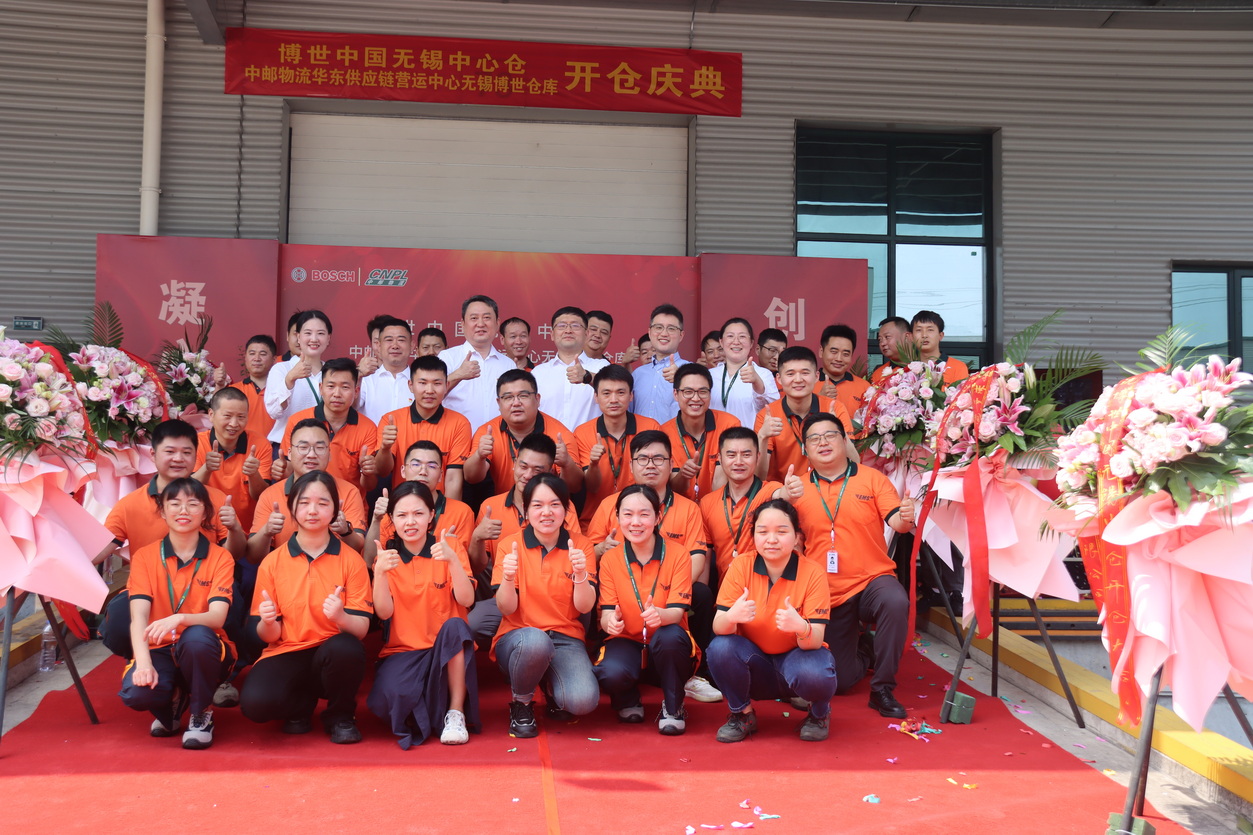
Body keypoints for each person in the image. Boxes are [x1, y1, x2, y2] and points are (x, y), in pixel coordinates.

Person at [97, 419, 245, 713]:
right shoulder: (130, 504)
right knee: (118, 618)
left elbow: (236, 553)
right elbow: (103, 548)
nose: (178, 458)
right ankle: (157, 671)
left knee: (230, 608)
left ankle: (213, 676)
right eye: (170, 451)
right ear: (153, 454)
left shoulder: (213, 499)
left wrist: (236, 529)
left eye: (186, 452)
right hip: (152, 592)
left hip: (204, 591)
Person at [791, 413, 916, 718]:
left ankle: (882, 689)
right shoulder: (798, 489)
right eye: (814, 438)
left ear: (844, 440)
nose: (823, 443)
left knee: (895, 600)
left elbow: (897, 523)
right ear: (805, 448)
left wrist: (906, 516)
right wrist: (783, 496)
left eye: (830, 435)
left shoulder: (872, 479)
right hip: (828, 590)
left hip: (872, 579)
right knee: (843, 680)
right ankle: (866, 649)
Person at [586, 431, 720, 704]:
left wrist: (668, 588)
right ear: (631, 464)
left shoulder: (687, 508)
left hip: (671, 591)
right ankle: (624, 665)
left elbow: (697, 556)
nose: (650, 465)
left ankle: (694, 673)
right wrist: (601, 549)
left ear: (671, 464)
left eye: (658, 458)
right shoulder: (609, 505)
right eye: (642, 458)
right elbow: (591, 552)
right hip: (622, 588)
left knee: (701, 594)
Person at [241, 471, 372, 744]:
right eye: (304, 503)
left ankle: (341, 716)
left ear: (335, 510)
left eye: (323, 503)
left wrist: (341, 616)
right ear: (292, 508)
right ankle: (300, 706)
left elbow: (360, 629)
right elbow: (267, 636)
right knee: (255, 704)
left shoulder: (352, 561)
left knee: (347, 647)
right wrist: (267, 622)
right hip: (287, 649)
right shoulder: (272, 562)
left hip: (331, 651)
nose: (313, 510)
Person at [118, 478, 236, 749]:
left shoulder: (220, 557)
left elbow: (217, 617)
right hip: (160, 646)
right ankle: (172, 702)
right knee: (137, 694)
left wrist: (180, 618)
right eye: (175, 504)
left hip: (204, 648)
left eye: (193, 504)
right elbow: (138, 617)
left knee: (197, 638)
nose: (183, 511)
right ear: (162, 511)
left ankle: (201, 712)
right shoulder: (145, 557)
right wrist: (143, 663)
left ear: (205, 513)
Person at [708, 499, 836, 743]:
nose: (772, 539)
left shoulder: (813, 572)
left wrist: (801, 627)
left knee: (816, 671)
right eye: (763, 531)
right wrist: (732, 617)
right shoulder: (741, 566)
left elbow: (815, 640)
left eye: (782, 531)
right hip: (755, 662)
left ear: (797, 537)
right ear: (753, 536)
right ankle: (742, 714)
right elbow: (718, 626)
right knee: (720, 647)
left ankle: (819, 714)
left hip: (797, 657)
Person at [367, 481, 479, 749]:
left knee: (455, 626)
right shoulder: (387, 557)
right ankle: (433, 710)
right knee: (389, 697)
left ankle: (455, 712)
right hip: (404, 649)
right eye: (402, 515)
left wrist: (452, 561)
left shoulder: (449, 547)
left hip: (446, 651)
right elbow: (384, 612)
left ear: (431, 515)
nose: (410, 522)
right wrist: (379, 573)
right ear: (392, 519)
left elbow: (467, 600)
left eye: (418, 513)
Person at [492, 473, 600, 738]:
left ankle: (550, 686)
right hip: (520, 638)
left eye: (555, 504)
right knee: (535, 642)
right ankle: (521, 703)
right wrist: (508, 578)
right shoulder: (509, 546)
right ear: (526, 510)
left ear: (566, 508)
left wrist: (581, 574)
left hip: (565, 637)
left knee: (583, 701)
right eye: (538, 505)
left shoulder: (581, 545)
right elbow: (506, 608)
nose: (547, 512)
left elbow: (585, 606)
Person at [594, 485, 693, 735]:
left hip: (667, 640)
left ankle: (673, 707)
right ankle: (628, 699)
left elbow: (677, 612)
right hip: (627, 638)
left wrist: (660, 614)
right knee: (610, 672)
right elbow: (606, 611)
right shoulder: (610, 559)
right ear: (618, 517)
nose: (635, 522)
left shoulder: (679, 554)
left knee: (670, 637)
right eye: (627, 514)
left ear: (658, 517)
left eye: (644, 514)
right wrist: (610, 622)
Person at [467, 434, 582, 648]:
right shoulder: (491, 506)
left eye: (537, 470)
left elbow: (574, 551)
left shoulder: (563, 508)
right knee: (473, 623)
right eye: (523, 466)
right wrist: (477, 538)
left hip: (552, 597)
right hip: (508, 593)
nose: (527, 475)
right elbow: (478, 568)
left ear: (550, 472)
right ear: (514, 463)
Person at [251, 419, 367, 561]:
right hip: (286, 571)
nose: (311, 454)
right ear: (290, 453)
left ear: (329, 453)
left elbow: (358, 547)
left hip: (335, 571)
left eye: (319, 447)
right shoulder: (270, 495)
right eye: (303, 447)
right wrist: (266, 531)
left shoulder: (348, 492)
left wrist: (345, 531)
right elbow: (253, 557)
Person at [699, 427, 797, 581]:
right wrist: (703, 591)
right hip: (726, 590)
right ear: (720, 458)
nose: (739, 462)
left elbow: (781, 495)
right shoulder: (707, 503)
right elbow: (705, 558)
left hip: (766, 588)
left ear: (757, 457)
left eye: (746, 455)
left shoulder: (769, 491)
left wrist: (790, 491)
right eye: (731, 455)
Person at [463, 368, 581, 495]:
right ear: (499, 403)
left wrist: (567, 463)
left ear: (537, 399)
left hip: (546, 504)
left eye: (523, 396)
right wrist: (479, 455)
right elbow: (471, 478)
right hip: (502, 504)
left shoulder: (560, 435)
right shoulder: (487, 432)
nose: (516, 403)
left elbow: (575, 487)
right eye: (508, 397)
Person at [278, 357, 377, 502]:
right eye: (331, 386)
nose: (337, 394)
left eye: (345, 387)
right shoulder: (297, 421)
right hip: (304, 504)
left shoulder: (368, 428)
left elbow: (370, 486)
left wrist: (368, 473)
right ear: (321, 388)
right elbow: (287, 473)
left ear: (356, 391)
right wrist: (281, 469)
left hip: (347, 504)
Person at [573, 364, 661, 525]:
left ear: (631, 396)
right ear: (596, 397)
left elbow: (656, 481)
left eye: (621, 392)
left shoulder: (650, 427)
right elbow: (592, 488)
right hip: (594, 520)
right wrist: (593, 464)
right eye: (606, 393)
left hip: (640, 520)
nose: (613, 400)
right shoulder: (583, 432)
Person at [375, 355, 473, 499]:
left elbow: (453, 479)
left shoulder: (460, 423)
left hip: (440, 505)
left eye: (437, 383)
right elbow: (382, 471)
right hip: (402, 504)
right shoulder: (391, 420)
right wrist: (385, 448)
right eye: (422, 383)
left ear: (446, 386)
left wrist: (446, 512)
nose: (429, 390)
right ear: (410, 385)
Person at [754, 346, 855, 483]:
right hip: (783, 490)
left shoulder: (834, 408)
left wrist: (838, 431)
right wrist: (762, 437)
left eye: (805, 373)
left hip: (828, 488)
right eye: (790, 374)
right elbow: (759, 477)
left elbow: (855, 463)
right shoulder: (767, 416)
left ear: (816, 376)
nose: (798, 379)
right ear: (779, 378)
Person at [363, 440, 476, 563]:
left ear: (440, 475)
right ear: (403, 471)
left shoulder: (461, 512)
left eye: (431, 466)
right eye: (416, 464)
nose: (423, 471)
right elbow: (370, 561)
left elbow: (467, 565)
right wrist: (376, 519)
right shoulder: (389, 511)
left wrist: (453, 548)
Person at [193, 386, 271, 531]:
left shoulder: (259, 444)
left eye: (241, 417)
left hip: (249, 530)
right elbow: (187, 492)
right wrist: (207, 468)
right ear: (211, 415)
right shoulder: (196, 444)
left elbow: (261, 496)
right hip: (205, 528)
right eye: (227, 416)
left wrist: (254, 474)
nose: (234, 424)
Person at [663, 363, 741, 501]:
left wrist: (710, 508)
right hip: (681, 508)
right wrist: (683, 475)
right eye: (688, 392)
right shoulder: (664, 433)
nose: (695, 398)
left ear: (710, 394)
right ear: (676, 394)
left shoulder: (729, 425)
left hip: (719, 504)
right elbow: (673, 489)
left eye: (702, 391)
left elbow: (723, 480)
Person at [438, 295, 516, 431]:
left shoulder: (508, 364)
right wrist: (458, 375)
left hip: (498, 438)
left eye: (487, 318)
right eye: (474, 318)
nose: (480, 324)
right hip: (457, 437)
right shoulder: (447, 357)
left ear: (497, 323)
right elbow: (431, 395)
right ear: (463, 324)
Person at [532, 306, 609, 429]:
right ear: (552, 334)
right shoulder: (538, 373)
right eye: (561, 326)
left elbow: (613, 388)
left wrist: (588, 376)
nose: (568, 330)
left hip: (589, 441)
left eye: (575, 326)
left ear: (586, 334)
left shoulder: (601, 366)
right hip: (548, 440)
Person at [265, 309, 332, 445]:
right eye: (308, 333)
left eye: (320, 333)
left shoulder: (332, 373)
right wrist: (289, 379)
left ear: (328, 338)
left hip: (322, 447)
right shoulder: (281, 369)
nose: (314, 339)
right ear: (298, 337)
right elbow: (274, 412)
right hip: (286, 446)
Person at [709, 318, 778, 428]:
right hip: (714, 438)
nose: (736, 342)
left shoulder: (763, 374)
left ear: (751, 343)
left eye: (742, 336)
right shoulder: (709, 375)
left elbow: (773, 408)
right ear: (721, 342)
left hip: (748, 437)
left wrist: (757, 382)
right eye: (730, 336)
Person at [632, 304, 688, 423]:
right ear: (649, 332)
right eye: (658, 327)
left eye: (671, 328)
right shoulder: (637, 374)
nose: (664, 333)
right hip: (640, 435)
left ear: (681, 335)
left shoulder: (691, 371)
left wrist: (683, 378)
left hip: (674, 435)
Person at [358, 315, 415, 422]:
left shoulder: (420, 382)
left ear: (412, 345)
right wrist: (358, 375)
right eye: (389, 340)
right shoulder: (365, 380)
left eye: (401, 340)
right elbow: (349, 408)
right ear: (379, 346)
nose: (395, 345)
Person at [818, 324, 871, 421]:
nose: (839, 359)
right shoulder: (806, 384)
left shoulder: (865, 387)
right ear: (821, 351)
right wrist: (819, 399)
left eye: (845, 354)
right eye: (834, 352)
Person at [910, 310, 970, 385]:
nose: (924, 335)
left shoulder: (958, 367)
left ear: (940, 335)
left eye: (930, 330)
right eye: (919, 330)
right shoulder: (906, 369)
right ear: (911, 337)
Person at [238, 334, 277, 443]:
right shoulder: (234, 390)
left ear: (274, 359)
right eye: (252, 353)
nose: (256, 358)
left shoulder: (283, 389)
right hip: (243, 447)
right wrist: (219, 386)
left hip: (276, 448)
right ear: (245, 358)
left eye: (263, 354)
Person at [870, 316, 912, 385]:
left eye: (887, 337)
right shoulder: (879, 374)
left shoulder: (925, 366)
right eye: (880, 339)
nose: (882, 343)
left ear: (906, 337)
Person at [356, 314, 387, 378]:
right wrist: (358, 373)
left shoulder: (409, 374)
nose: (381, 346)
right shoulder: (363, 375)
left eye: (388, 340)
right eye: (376, 342)